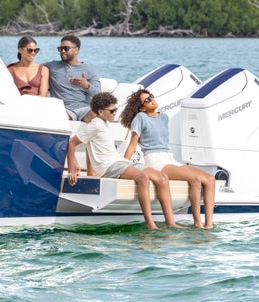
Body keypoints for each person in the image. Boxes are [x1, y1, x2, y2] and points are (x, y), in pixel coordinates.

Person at [66, 92, 181, 230]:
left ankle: (170, 222)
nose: (115, 113)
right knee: (143, 177)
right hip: (110, 166)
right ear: (101, 112)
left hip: (119, 161)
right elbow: (72, 143)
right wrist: (72, 170)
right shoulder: (94, 125)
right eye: (112, 111)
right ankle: (150, 224)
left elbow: (90, 147)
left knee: (161, 177)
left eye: (116, 109)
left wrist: (91, 171)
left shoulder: (105, 124)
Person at [121, 88, 216, 229]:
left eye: (152, 96)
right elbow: (132, 146)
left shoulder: (164, 117)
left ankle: (208, 225)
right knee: (195, 179)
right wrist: (124, 166)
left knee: (210, 180)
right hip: (155, 160)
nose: (152, 99)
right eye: (147, 100)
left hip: (169, 158)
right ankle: (197, 224)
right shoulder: (140, 118)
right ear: (141, 107)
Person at [44, 35, 100, 122]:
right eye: (60, 49)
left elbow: (98, 94)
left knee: (97, 117)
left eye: (66, 48)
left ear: (76, 50)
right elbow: (32, 68)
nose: (62, 51)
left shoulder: (90, 70)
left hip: (84, 109)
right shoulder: (51, 66)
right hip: (64, 108)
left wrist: (87, 86)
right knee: (58, 118)